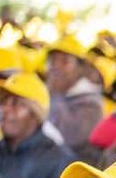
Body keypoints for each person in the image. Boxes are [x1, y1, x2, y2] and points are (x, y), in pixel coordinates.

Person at [0, 74, 72, 178]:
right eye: (3, 102)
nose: (5, 110)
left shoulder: (59, 160)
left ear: (35, 113)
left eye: (16, 104)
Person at [43, 36, 104, 165]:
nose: (56, 67)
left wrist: (56, 94)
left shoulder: (91, 102)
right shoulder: (47, 94)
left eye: (65, 61)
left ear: (80, 68)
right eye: (52, 61)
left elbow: (72, 139)